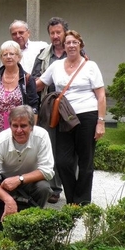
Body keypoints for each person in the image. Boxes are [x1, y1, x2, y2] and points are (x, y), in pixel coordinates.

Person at [36, 30, 106, 206]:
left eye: (75, 42)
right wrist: (16, 78)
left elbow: (101, 96)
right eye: (68, 43)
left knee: (85, 159)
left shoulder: (91, 66)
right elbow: (39, 84)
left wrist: (101, 122)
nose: (71, 45)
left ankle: (81, 201)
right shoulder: (56, 66)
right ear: (64, 46)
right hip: (65, 117)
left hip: (87, 115)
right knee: (62, 160)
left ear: (81, 45)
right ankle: (72, 195)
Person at [0, 105, 54, 231]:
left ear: (31, 126)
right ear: (10, 126)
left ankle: (33, 220)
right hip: (3, 182)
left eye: (23, 126)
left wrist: (20, 179)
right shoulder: (0, 140)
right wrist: (8, 199)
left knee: (44, 188)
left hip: (30, 181)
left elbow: (47, 170)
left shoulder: (42, 136)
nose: (19, 130)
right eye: (15, 126)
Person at [31, 16, 70, 203]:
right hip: (50, 105)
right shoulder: (43, 54)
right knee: (51, 146)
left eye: (58, 32)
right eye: (52, 33)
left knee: (71, 148)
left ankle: (71, 184)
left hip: (72, 107)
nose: (55, 36)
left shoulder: (75, 50)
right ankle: (55, 188)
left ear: (65, 32)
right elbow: (35, 81)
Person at [0, 40, 39, 136]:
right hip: (0, 126)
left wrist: (32, 130)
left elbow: (34, 105)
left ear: (18, 57)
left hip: (21, 126)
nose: (8, 57)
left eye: (12, 54)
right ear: (1, 58)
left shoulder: (27, 78)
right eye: (5, 54)